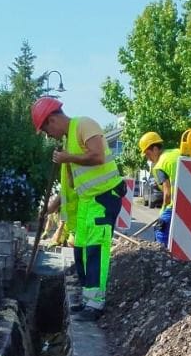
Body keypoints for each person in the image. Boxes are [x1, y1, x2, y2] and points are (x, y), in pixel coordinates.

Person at [30, 97, 125, 314]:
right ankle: (87, 298)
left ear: (52, 120)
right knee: (81, 250)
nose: (48, 136)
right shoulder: (68, 141)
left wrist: (67, 157)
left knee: (95, 250)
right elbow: (69, 185)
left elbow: (98, 156)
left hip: (103, 198)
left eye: (46, 131)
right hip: (87, 202)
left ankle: (95, 303)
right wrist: (50, 207)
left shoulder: (84, 124)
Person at [138, 126, 191, 272]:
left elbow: (167, 194)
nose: (148, 158)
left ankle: (164, 264)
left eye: (147, 153)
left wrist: (162, 213)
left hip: (176, 203)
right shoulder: (177, 152)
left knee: (161, 230)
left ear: (154, 148)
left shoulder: (160, 165)